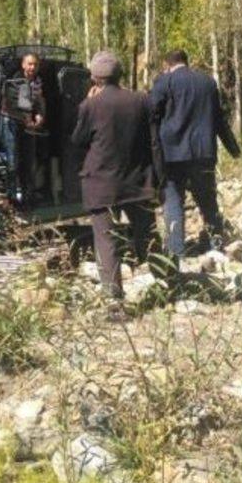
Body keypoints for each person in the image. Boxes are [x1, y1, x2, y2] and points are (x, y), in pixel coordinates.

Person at [71, 50, 159, 305]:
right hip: (136, 181)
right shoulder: (141, 101)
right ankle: (167, 281)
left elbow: (78, 140)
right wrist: (158, 179)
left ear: (95, 79)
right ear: (119, 74)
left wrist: (84, 105)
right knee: (147, 233)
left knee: (106, 241)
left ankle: (114, 300)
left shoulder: (90, 105)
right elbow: (153, 142)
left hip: (101, 184)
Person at [150, 49, 240, 263]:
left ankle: (176, 252)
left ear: (167, 64)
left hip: (172, 156)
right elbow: (219, 118)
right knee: (208, 200)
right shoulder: (207, 82)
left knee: (173, 202)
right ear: (186, 62)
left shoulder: (164, 82)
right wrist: (233, 148)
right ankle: (216, 246)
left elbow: (151, 115)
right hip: (203, 153)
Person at [0, 52, 46, 204]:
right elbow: (11, 104)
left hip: (27, 123)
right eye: (30, 64)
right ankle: (11, 196)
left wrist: (40, 116)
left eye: (35, 64)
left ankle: (28, 195)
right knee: (13, 159)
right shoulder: (14, 80)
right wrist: (27, 119)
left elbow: (39, 101)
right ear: (23, 65)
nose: (32, 67)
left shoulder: (37, 81)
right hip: (10, 121)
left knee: (30, 158)